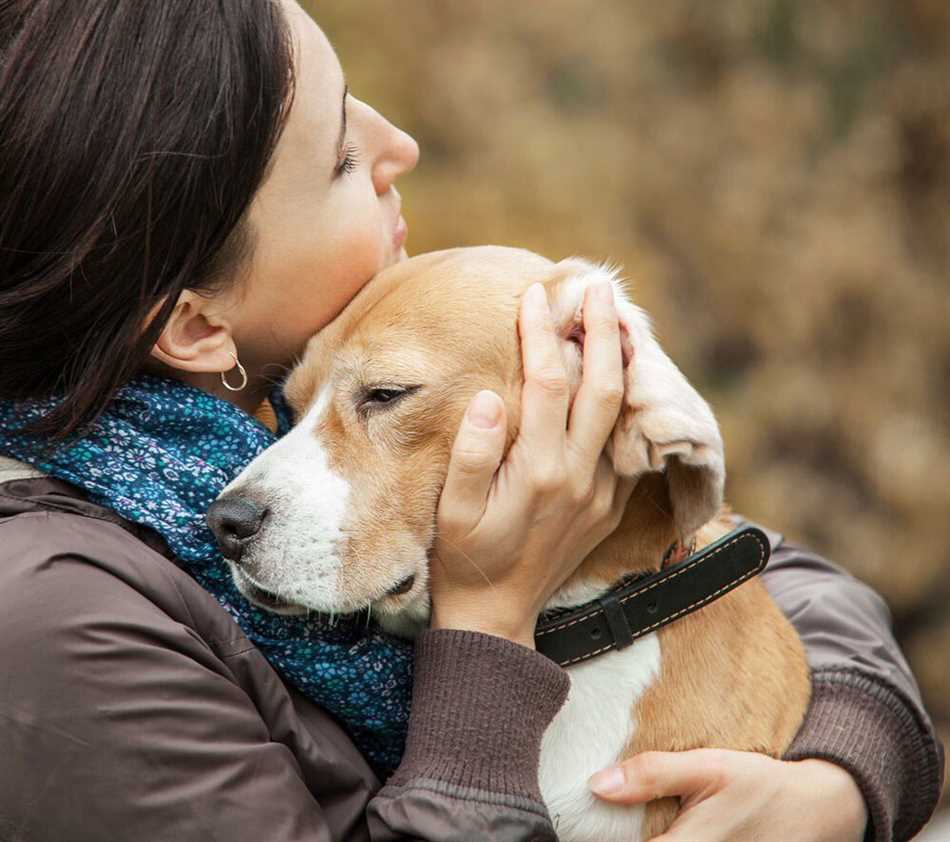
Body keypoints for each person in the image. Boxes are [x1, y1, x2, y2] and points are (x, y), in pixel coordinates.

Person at [0, 2, 941, 840]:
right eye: (339, 156)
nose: (398, 143)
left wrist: (838, 780)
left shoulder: (253, 419)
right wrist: (489, 617)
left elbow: (746, 563)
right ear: (197, 323)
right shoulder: (55, 620)